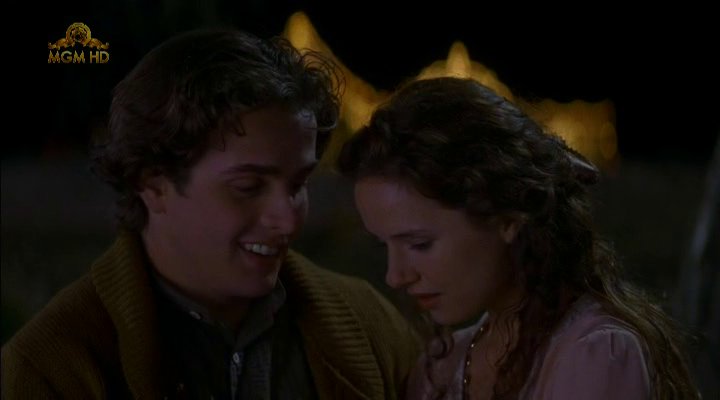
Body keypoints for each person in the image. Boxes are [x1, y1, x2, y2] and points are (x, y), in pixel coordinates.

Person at [2, 28, 420, 399]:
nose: (289, 220)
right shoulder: (51, 370)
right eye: (248, 187)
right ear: (154, 184)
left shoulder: (369, 326)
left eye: (298, 185)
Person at [336, 77, 699, 399]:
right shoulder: (442, 366)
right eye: (385, 246)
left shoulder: (592, 353)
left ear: (507, 219)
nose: (395, 276)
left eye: (419, 244)